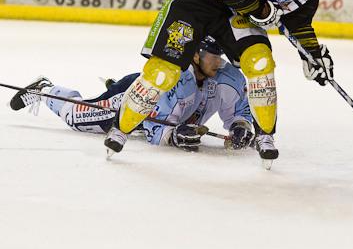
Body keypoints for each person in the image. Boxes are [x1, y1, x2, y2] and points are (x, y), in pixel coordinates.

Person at [104, 0, 343, 163]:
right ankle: (120, 129)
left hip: (234, 13)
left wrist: (313, 55)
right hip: (197, 1)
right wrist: (261, 10)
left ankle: (265, 136)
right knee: (162, 73)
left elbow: (298, 23)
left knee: (260, 61)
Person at [9, 37, 254, 152]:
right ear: (195, 55)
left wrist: (240, 127)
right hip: (132, 97)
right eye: (212, 55)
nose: (218, 61)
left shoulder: (227, 78)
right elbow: (154, 130)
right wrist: (175, 136)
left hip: (159, 110)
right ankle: (45, 90)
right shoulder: (179, 79)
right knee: (76, 116)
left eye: (219, 55)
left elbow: (239, 112)